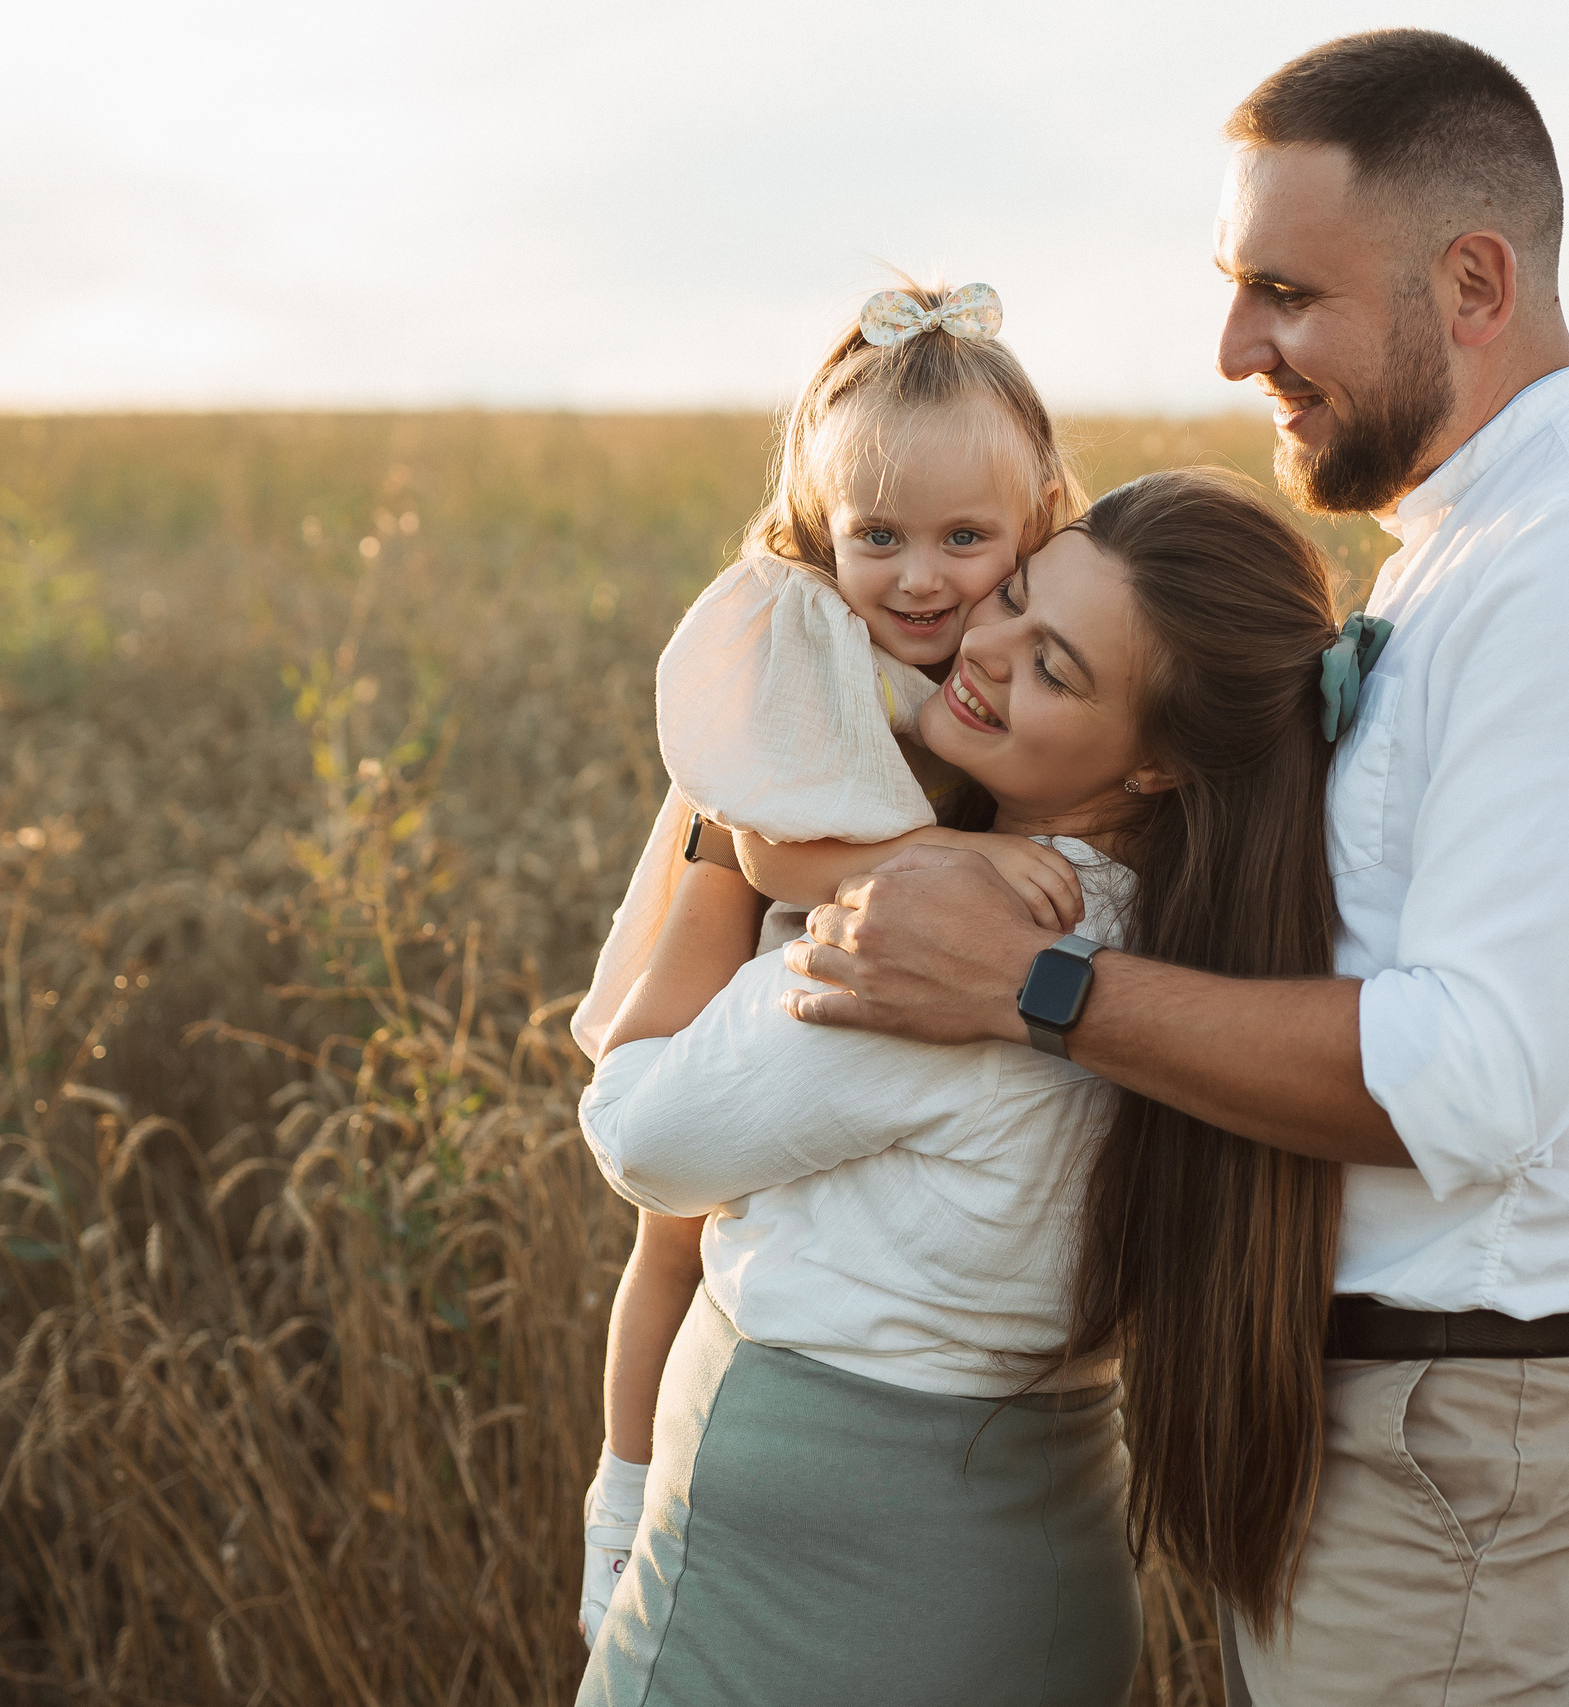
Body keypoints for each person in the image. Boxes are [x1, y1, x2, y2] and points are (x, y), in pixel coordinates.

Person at [778, 29, 1569, 1706]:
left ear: (1472, 280)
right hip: (1389, 1413)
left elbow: (1463, 1078)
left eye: (1286, 292)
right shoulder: (1471, 548)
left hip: (1465, 1422)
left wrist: (1040, 988)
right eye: (1233, 285)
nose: (1234, 343)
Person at [575, 469, 1363, 1706]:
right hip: (1031, 1577)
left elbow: (639, 1136)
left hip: (812, 1603)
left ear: (1156, 766)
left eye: (1053, 668)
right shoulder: (1188, 945)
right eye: (1012, 596)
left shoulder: (948, 935)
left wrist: (727, 799)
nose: (979, 647)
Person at [566, 279, 1087, 1640]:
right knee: (669, 1232)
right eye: (879, 536)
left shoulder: (1019, 631)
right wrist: (952, 866)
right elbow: (769, 859)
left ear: (1032, 523)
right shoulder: (807, 642)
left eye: (964, 537)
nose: (921, 575)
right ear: (822, 528)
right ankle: (620, 1496)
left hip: (849, 928)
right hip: (756, 903)